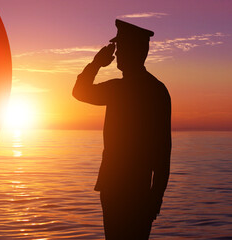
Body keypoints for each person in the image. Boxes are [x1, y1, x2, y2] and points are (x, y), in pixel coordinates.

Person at [72, 19, 171, 239]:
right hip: (133, 189)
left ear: (134, 51)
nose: (116, 54)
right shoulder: (157, 90)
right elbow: (164, 152)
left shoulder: (119, 90)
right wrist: (156, 196)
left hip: (122, 188)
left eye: (121, 47)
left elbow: (79, 91)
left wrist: (97, 63)